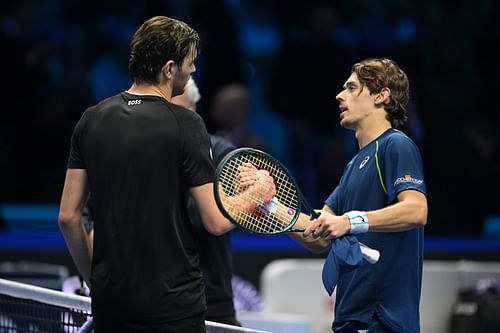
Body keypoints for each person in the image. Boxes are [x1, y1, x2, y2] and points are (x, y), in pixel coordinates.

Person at [58, 16, 275, 333]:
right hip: (172, 307)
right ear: (170, 68)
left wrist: (95, 279)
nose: (194, 70)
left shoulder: (92, 118)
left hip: (111, 303)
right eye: (191, 62)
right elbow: (215, 221)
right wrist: (258, 193)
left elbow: (68, 216)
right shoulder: (187, 124)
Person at [238, 58, 426, 332]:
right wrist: (268, 204)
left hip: (383, 320)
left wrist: (350, 221)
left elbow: (416, 210)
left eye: (352, 88)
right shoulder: (353, 165)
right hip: (351, 318)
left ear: (381, 95)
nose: (340, 95)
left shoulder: (396, 145)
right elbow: (318, 236)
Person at [171, 78, 241, 326]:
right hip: (153, 303)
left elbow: (213, 218)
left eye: (177, 108)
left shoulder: (220, 151)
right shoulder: (139, 152)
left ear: (195, 105)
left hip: (211, 304)